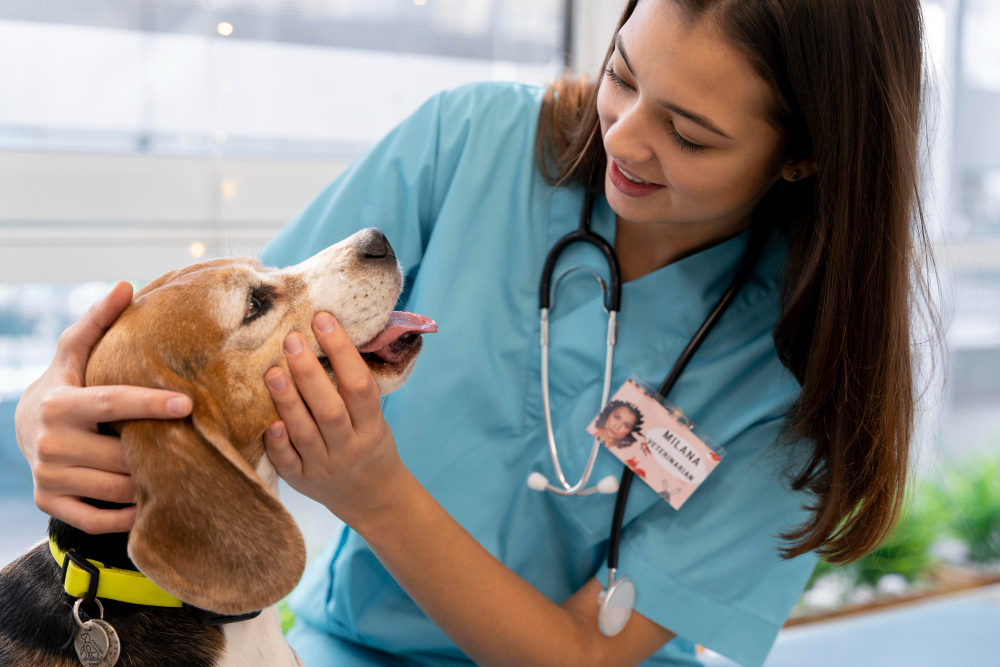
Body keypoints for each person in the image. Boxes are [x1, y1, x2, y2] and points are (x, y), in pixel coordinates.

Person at [14, 0, 934, 665]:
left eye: (689, 134)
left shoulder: (800, 374)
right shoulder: (474, 143)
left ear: (805, 154)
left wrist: (374, 493)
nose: (624, 137)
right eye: (621, 73)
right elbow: (216, 347)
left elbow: (584, 652)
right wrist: (53, 409)